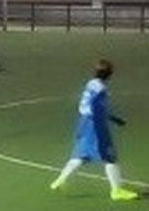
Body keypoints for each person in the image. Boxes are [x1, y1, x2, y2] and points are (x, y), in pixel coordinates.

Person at [49, 59, 139, 201]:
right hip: (95, 125)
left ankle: (60, 181)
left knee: (81, 155)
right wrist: (105, 123)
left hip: (83, 123)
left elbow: (91, 106)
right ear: (109, 74)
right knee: (110, 157)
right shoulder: (101, 90)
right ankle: (117, 191)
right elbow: (96, 108)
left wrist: (113, 118)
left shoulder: (91, 84)